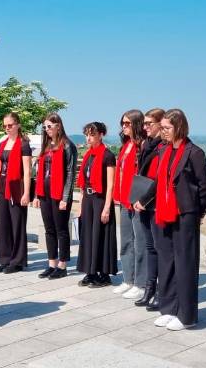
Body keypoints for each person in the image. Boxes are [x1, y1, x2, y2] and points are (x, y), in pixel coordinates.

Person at [150, 109, 206, 331]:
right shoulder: (164, 150)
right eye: (163, 127)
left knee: (185, 264)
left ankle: (187, 316)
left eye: (167, 128)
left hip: (185, 214)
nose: (163, 131)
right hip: (165, 213)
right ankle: (168, 309)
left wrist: (197, 210)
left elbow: (204, 187)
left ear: (179, 127)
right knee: (166, 263)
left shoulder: (194, 153)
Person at [32, 113, 77, 279]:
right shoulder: (46, 146)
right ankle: (51, 263)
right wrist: (36, 195)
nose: (47, 129)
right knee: (49, 229)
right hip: (45, 193)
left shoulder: (67, 145)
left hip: (60, 195)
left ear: (58, 125)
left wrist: (66, 198)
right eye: (44, 127)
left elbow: (71, 173)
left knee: (61, 229)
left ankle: (63, 265)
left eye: (49, 126)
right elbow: (40, 173)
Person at [75, 122, 117, 288]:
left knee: (100, 236)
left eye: (92, 134)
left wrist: (107, 207)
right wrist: (80, 204)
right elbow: (83, 183)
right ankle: (90, 271)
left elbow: (111, 185)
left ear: (101, 135)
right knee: (88, 236)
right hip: (88, 199)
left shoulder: (108, 155)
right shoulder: (88, 155)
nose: (88, 138)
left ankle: (103, 274)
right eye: (86, 134)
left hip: (100, 200)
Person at [0, 112, 32, 274]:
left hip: (16, 188)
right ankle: (5, 258)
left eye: (10, 125)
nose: (7, 128)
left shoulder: (23, 145)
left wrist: (26, 193)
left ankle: (18, 261)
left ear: (18, 125)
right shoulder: (2, 144)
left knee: (17, 225)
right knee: (3, 225)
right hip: (1, 186)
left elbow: (27, 171)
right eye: (5, 126)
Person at [113, 109, 148, 299]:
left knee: (140, 242)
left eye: (127, 123)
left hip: (136, 200)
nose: (124, 127)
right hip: (124, 199)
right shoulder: (125, 145)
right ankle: (128, 279)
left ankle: (141, 282)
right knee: (126, 241)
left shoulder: (142, 146)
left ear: (136, 124)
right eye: (122, 123)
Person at [133, 108, 165, 310]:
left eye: (149, 123)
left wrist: (144, 200)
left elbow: (158, 179)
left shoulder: (163, 147)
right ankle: (150, 288)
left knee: (159, 249)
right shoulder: (148, 145)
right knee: (150, 248)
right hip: (145, 203)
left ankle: (161, 291)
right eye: (144, 124)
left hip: (155, 203)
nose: (145, 127)